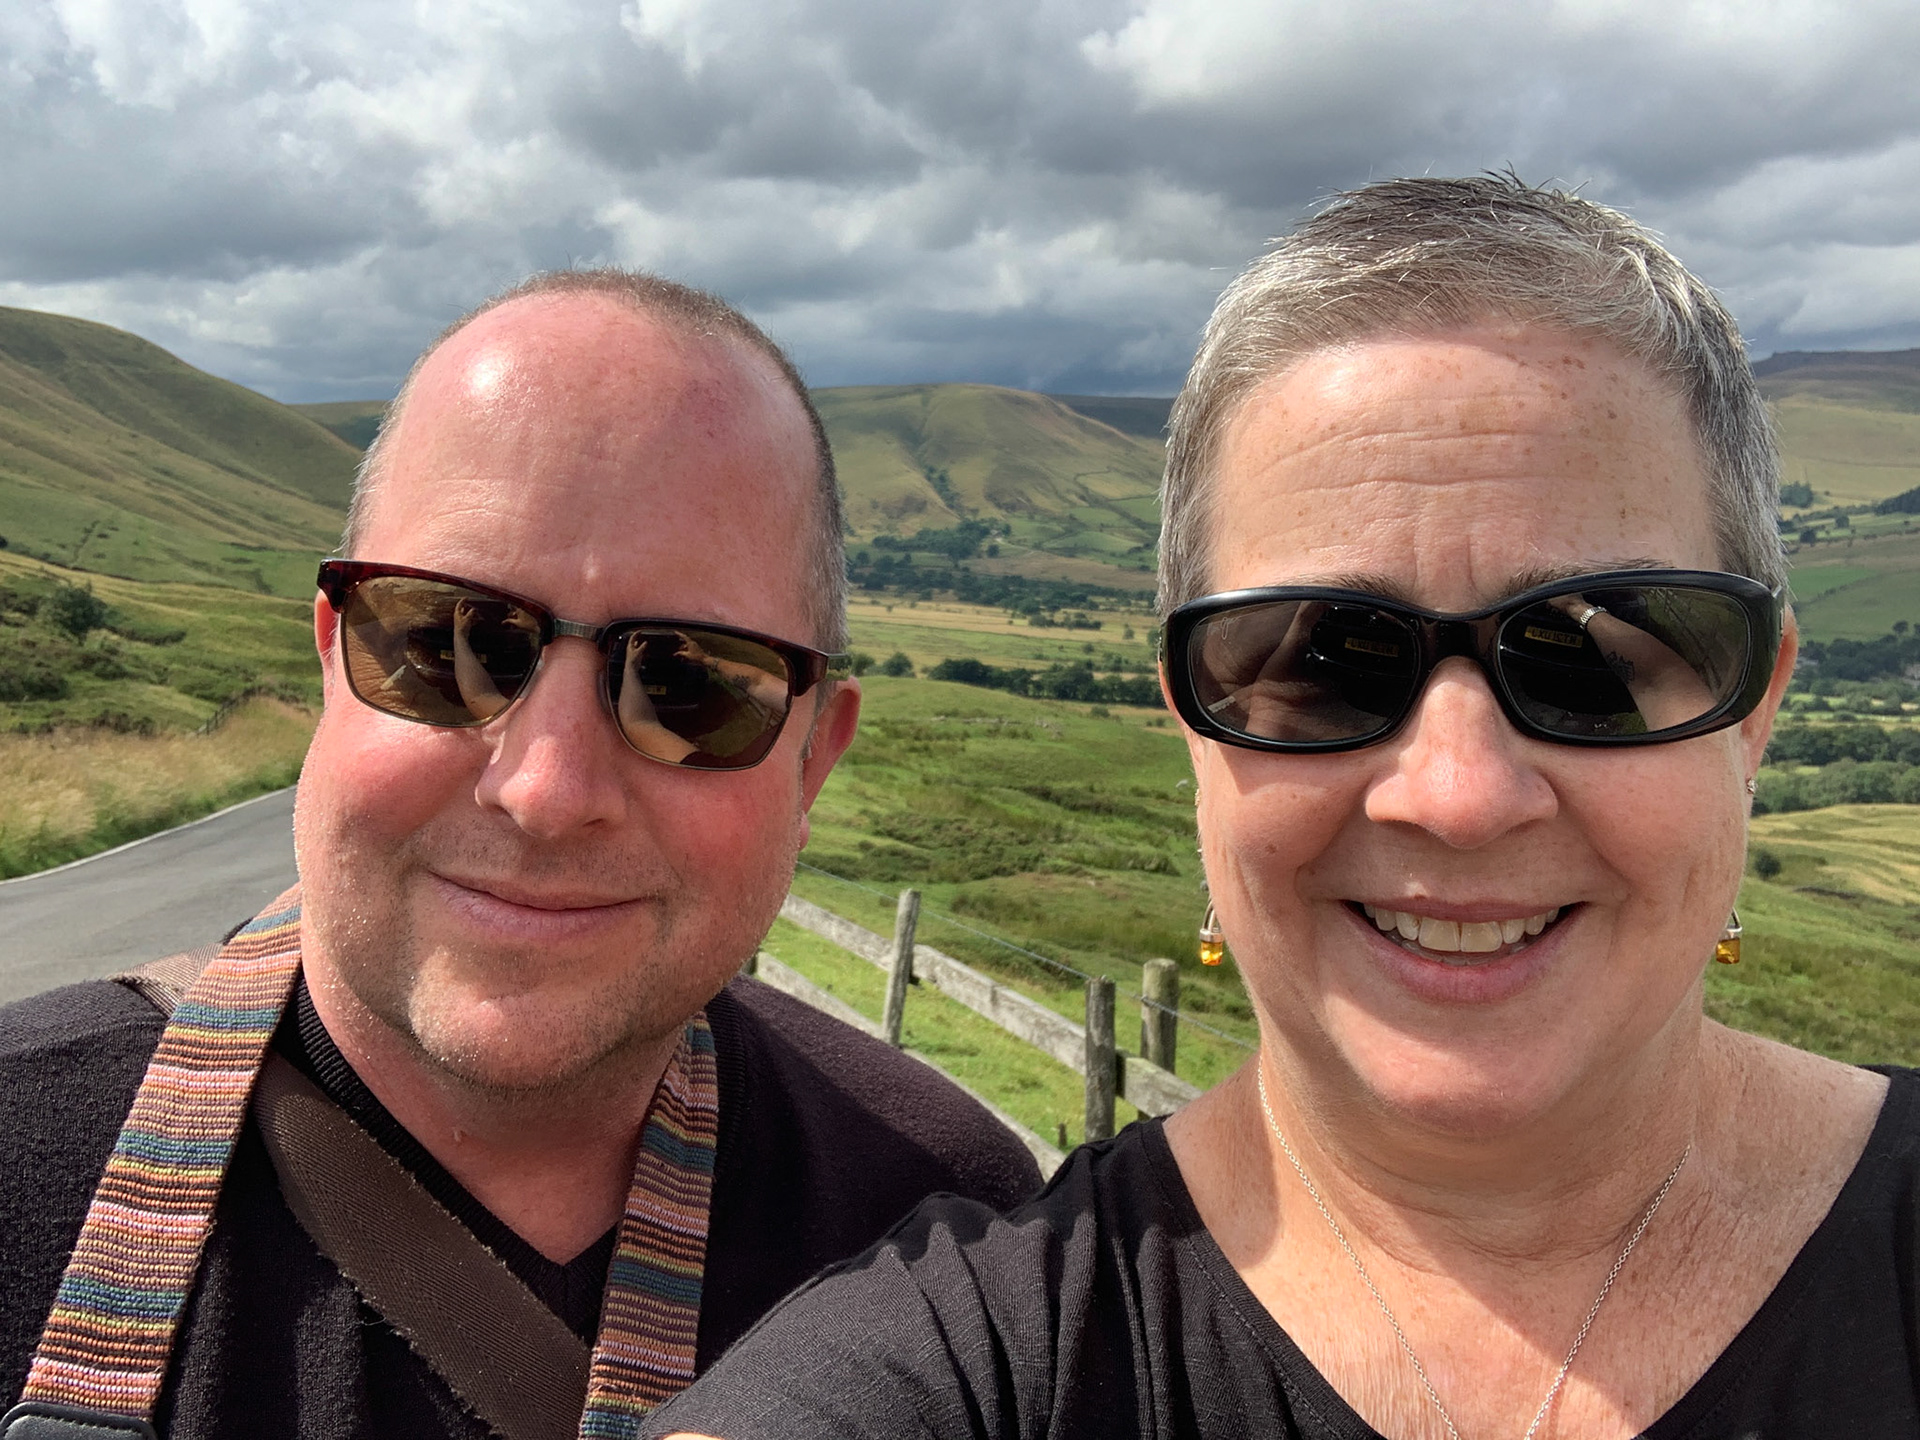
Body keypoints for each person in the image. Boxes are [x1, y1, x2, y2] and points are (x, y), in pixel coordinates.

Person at [644, 177, 1920, 1439]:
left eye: (1584, 661)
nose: (1460, 797)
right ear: (1190, 722)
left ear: (1755, 710)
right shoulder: (976, 1360)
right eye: (1321, 664)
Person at [0, 270, 1041, 1439]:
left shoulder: (958, 1238)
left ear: (812, 761)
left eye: (691, 684)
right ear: (332, 659)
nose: (546, 792)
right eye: (446, 643)